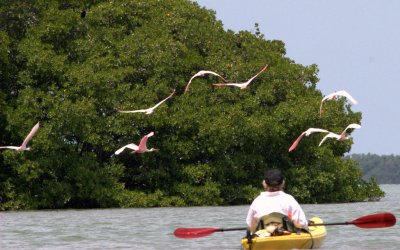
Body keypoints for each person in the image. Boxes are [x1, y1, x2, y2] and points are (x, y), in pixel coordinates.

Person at [245, 169, 309, 234]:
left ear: (264, 184)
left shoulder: (257, 201)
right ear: (282, 183)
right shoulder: (289, 199)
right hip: (286, 236)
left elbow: (250, 226)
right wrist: (306, 224)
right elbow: (300, 223)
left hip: (263, 237)